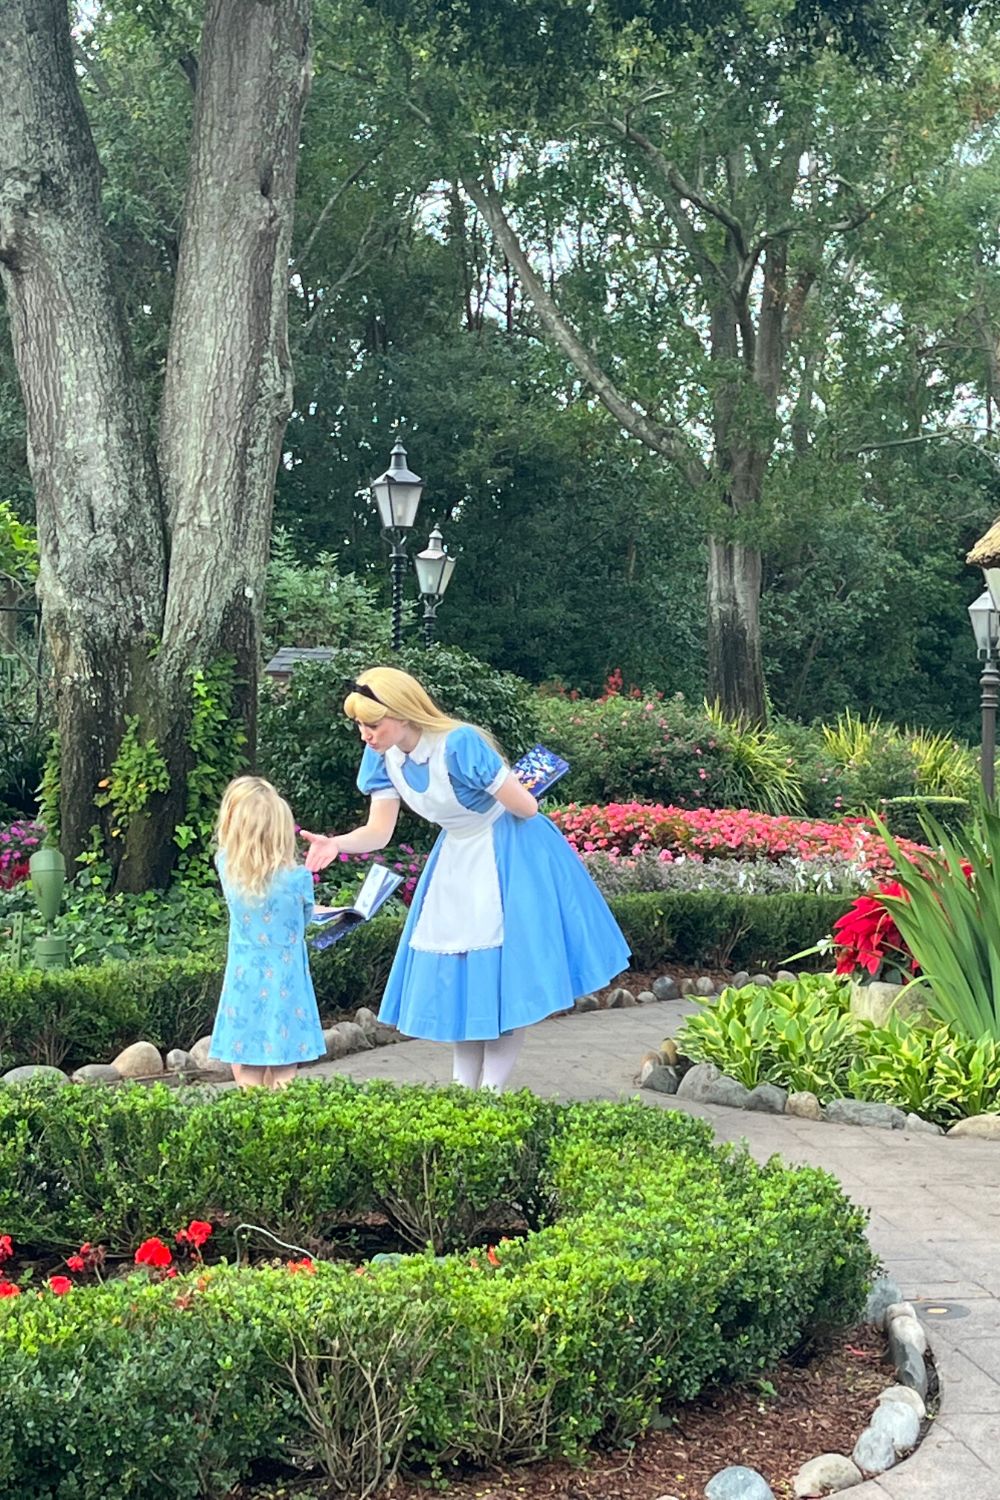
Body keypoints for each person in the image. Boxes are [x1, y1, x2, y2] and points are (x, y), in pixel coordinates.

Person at [301, 667, 630, 1091]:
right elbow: (379, 832)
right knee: (464, 977)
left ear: (402, 713)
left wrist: (503, 781)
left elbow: (526, 809)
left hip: (512, 852)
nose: (365, 734)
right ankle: (464, 1091)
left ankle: (490, 1094)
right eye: (360, 725)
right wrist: (336, 843)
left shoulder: (460, 744)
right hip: (457, 855)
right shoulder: (382, 757)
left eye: (373, 724)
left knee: (506, 981)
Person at [209, 775, 326, 1089]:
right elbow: (304, 918)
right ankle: (283, 1117)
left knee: (247, 1066)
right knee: (285, 1068)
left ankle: (251, 1115)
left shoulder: (226, 867)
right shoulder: (298, 878)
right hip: (287, 983)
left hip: (243, 980)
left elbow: (230, 852)